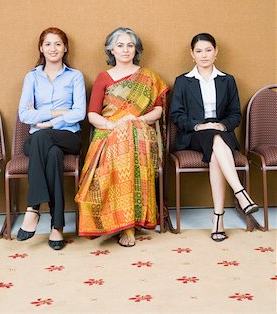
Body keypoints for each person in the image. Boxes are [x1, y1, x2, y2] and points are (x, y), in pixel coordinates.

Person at [75, 27, 169, 247]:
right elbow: (92, 115)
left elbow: (157, 111)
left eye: (130, 45)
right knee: (123, 140)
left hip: (140, 132)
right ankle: (120, 222)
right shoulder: (103, 78)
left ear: (136, 49)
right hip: (107, 132)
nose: (125, 49)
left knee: (130, 135)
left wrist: (133, 121)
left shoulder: (149, 77)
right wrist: (113, 125)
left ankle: (128, 227)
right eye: (120, 45)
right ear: (111, 50)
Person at [170, 33, 258, 242]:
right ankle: (240, 193)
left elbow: (235, 113)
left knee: (216, 144)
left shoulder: (227, 80)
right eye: (199, 51)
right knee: (213, 137)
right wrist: (198, 125)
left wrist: (222, 124)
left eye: (208, 50)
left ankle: (218, 219)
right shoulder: (183, 81)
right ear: (192, 54)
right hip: (193, 135)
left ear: (216, 52)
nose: (204, 55)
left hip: (221, 133)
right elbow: (176, 114)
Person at [17, 27, 86, 250]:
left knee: (42, 137)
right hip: (40, 139)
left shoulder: (75, 76)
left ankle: (33, 208)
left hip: (69, 136)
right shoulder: (32, 76)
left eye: (58, 44)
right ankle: (57, 226)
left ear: (65, 48)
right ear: (41, 48)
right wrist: (57, 113)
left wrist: (47, 122)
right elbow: (24, 115)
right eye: (48, 44)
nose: (53, 48)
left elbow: (79, 113)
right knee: (52, 153)